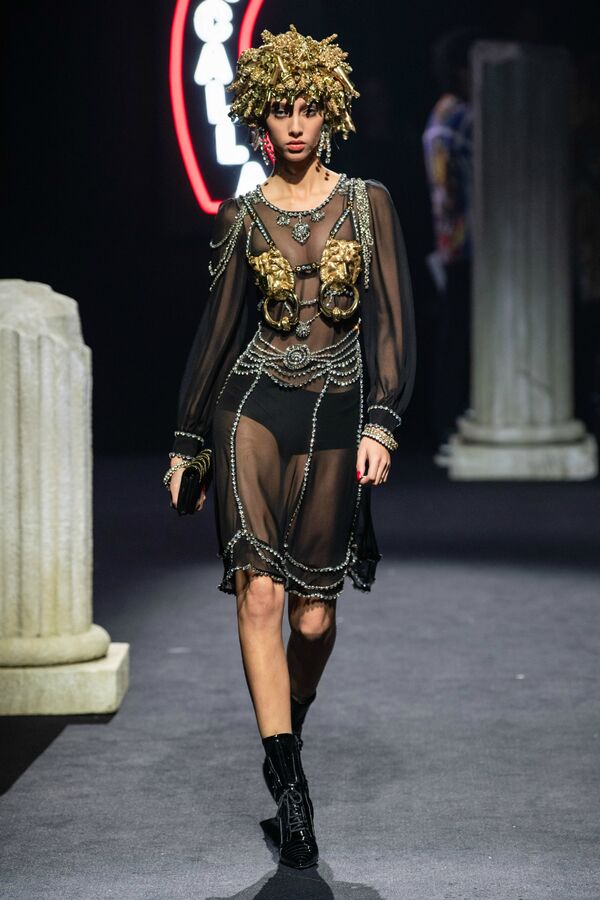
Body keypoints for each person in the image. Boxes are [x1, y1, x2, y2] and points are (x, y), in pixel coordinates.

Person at [165, 24, 416, 869]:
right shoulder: (242, 216)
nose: (297, 123)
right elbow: (217, 331)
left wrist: (383, 419)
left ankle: (289, 733)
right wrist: (187, 441)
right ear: (260, 120)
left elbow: (392, 319)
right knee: (260, 596)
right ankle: (291, 791)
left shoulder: (368, 202)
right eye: (282, 110)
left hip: (339, 410)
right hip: (252, 408)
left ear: (330, 111)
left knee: (313, 617)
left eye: (309, 107)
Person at [422, 27, 482, 460]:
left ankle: (448, 424)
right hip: (467, 242)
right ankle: (451, 423)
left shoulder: (439, 116)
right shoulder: (462, 117)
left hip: (451, 241)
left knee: (455, 335)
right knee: (459, 337)